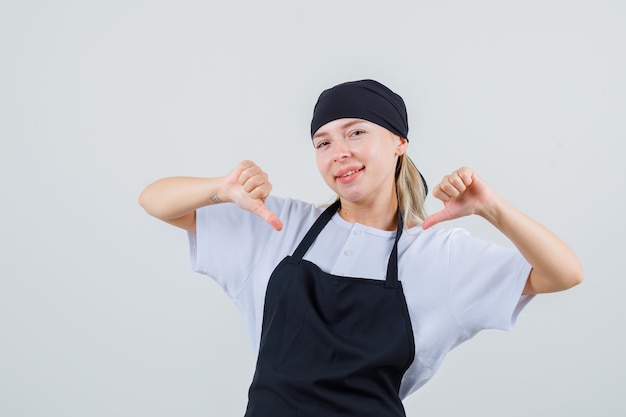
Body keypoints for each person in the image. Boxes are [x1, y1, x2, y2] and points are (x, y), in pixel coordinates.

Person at [138, 79, 583, 417]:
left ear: (399, 144)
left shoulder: (435, 255)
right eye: (323, 142)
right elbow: (153, 200)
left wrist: (492, 208)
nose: (339, 153)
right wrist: (220, 188)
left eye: (355, 133)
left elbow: (564, 273)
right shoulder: (278, 225)